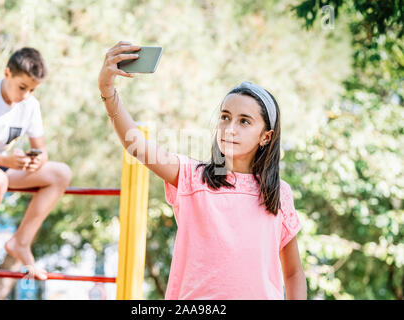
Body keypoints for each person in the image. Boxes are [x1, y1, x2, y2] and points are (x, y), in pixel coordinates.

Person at [98, 41, 307, 299]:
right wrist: (107, 89)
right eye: (225, 117)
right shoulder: (191, 176)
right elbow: (136, 145)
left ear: (266, 136)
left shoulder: (278, 193)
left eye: (244, 121)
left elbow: (294, 273)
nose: (230, 127)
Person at [0, 47, 72, 280]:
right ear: (7, 73)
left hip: (3, 167)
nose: (26, 95)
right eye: (22, 87)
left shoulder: (30, 105)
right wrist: (5, 160)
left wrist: (37, 160)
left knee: (61, 173)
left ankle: (21, 242)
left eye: (32, 90)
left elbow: (41, 150)